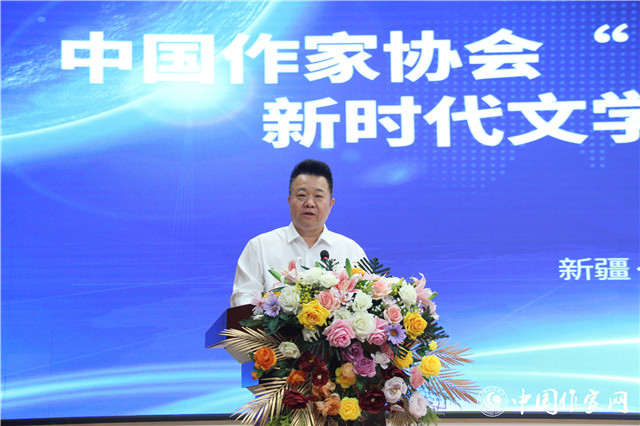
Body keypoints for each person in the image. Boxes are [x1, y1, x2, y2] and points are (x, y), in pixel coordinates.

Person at [230, 159, 366, 307]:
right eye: (302, 195)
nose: (310, 203)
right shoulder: (260, 247)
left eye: (318, 196)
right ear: (289, 201)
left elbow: (366, 300)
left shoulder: (351, 251)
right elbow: (242, 302)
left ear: (330, 204)